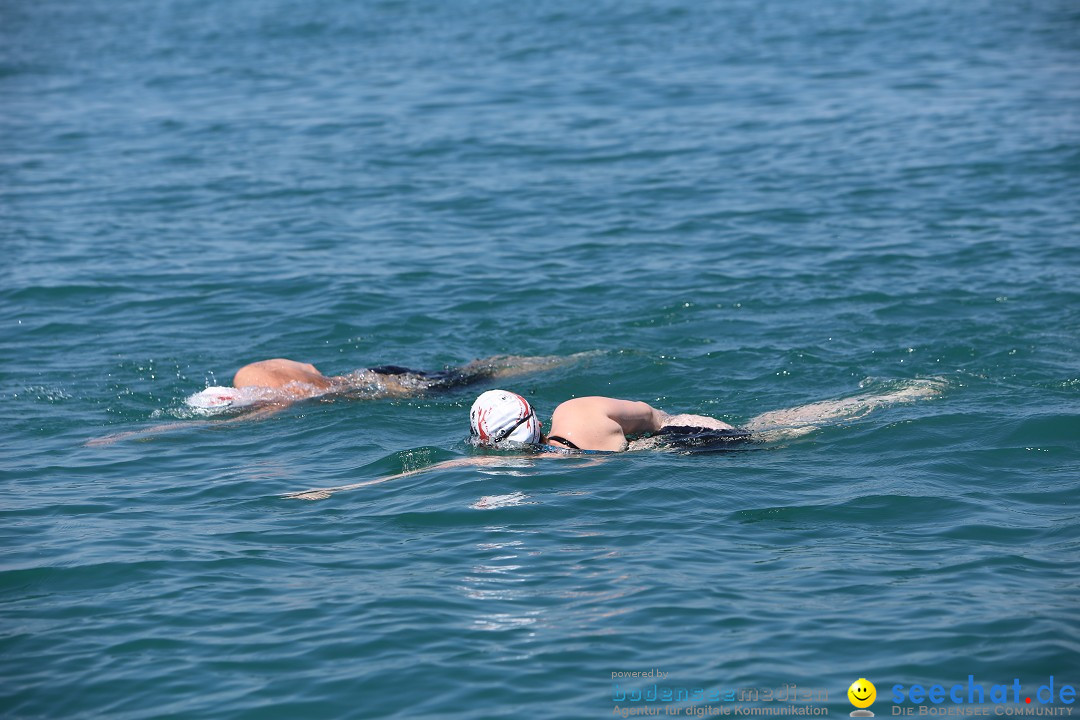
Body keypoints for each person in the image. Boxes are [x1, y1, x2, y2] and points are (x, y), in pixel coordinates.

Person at [87, 353, 589, 446]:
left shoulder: (279, 402)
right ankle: (539, 360)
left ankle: (556, 361)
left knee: (470, 378)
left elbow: (214, 427)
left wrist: (138, 433)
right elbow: (308, 369)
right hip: (372, 373)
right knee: (473, 371)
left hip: (386, 388)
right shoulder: (257, 372)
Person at [468, 389, 751, 453]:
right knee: (767, 430)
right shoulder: (575, 413)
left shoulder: (499, 464)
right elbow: (651, 416)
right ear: (537, 421)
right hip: (687, 436)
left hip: (667, 455)